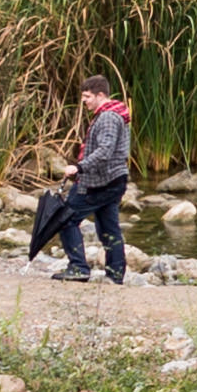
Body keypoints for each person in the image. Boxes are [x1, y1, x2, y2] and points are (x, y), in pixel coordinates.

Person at [50, 87, 133, 283]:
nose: (84, 101)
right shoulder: (112, 115)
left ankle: (78, 268)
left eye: (87, 97)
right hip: (113, 180)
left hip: (100, 183)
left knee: (65, 218)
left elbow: (105, 151)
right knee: (109, 229)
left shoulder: (108, 118)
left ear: (100, 95)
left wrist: (80, 167)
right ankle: (115, 275)